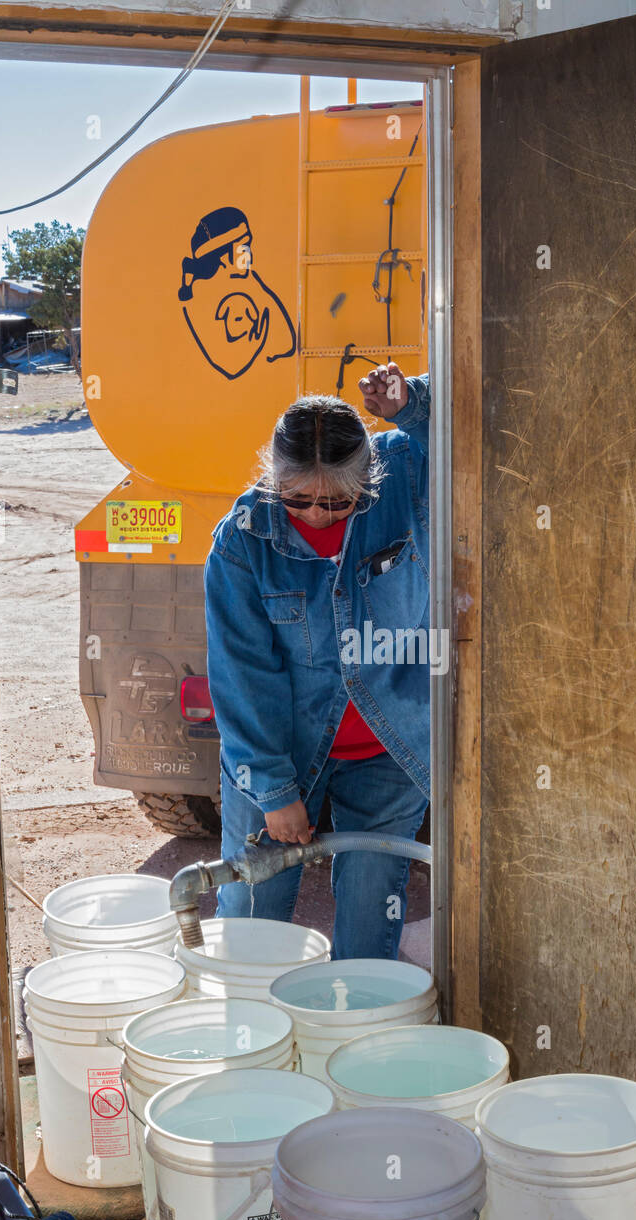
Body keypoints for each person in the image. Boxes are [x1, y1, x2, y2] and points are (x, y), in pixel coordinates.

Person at [204, 362, 431, 960]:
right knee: (253, 932)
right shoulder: (242, 539)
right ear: (272, 478)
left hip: (390, 751)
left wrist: (412, 403)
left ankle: (353, 1041)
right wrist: (275, 793)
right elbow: (242, 674)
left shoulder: (406, 473)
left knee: (367, 932)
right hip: (280, 752)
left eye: (338, 502)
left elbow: (467, 440)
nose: (315, 516)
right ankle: (253, 1045)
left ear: (371, 478)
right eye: (297, 499)